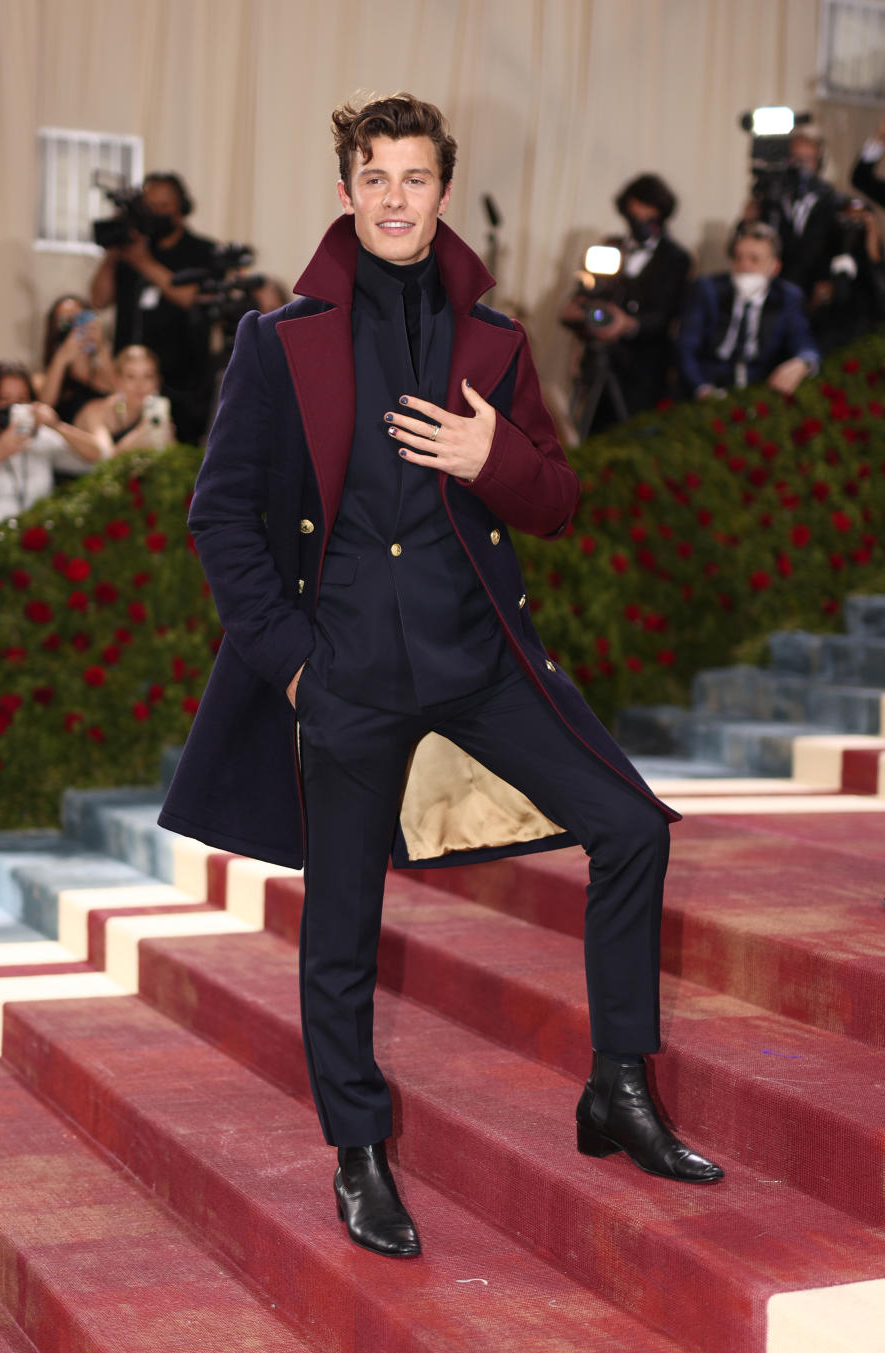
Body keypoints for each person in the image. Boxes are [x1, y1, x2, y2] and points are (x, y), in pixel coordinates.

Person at [159, 92, 722, 1260]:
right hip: (347, 674)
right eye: (377, 178)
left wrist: (494, 458)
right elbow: (220, 520)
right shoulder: (279, 343)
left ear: (441, 191)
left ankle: (617, 1087)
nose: (397, 200)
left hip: (480, 662)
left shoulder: (498, 343)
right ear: (347, 190)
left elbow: (557, 502)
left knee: (631, 828)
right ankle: (358, 1154)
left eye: (416, 179)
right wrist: (298, 670)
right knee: (344, 931)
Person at [89, 172, 215, 444]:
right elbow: (98, 299)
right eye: (150, 206)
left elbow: (190, 296)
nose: (156, 213)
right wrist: (115, 251)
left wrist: (142, 261)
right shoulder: (133, 249)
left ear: (181, 207)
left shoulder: (202, 251)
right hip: (129, 381)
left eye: (163, 205)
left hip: (183, 382)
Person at [560, 173, 691, 432]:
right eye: (636, 209)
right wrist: (578, 311)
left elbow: (668, 315)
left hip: (643, 370)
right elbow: (585, 293)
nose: (641, 217)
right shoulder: (610, 248)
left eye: (649, 211)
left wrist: (627, 324)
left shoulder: (675, 258)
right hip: (599, 364)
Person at [0, 361, 103, 540]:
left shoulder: (40, 438)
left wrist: (56, 425)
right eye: (4, 399)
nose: (13, 407)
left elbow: (97, 459)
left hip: (29, 547)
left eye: (21, 400)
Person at [676, 222, 819, 400]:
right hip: (706, 390)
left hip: (760, 394)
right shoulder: (707, 290)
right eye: (738, 258)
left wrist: (802, 362)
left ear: (774, 267)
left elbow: (804, 342)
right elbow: (686, 348)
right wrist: (701, 388)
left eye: (754, 259)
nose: (744, 266)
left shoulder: (788, 297)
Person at [741, 124, 837, 296]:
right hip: (769, 285)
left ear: (819, 162)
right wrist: (747, 220)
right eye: (795, 159)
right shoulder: (772, 193)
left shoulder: (828, 198)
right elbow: (744, 240)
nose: (800, 166)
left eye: (807, 159)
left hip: (809, 286)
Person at [810, 195, 885, 353]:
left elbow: (880, 300)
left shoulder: (872, 263)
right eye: (846, 218)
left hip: (860, 331)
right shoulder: (822, 257)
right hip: (827, 330)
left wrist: (873, 245)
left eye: (858, 220)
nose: (851, 225)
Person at [76, 346, 175, 457]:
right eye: (131, 377)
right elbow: (105, 459)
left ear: (157, 381)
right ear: (117, 380)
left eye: (148, 376)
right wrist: (137, 437)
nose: (140, 385)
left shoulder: (154, 414)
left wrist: (167, 444)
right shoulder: (97, 411)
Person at [33, 294, 115, 425]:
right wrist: (62, 357)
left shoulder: (102, 376)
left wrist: (101, 347)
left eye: (79, 319)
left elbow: (121, 398)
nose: (74, 328)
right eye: (65, 322)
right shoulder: (41, 380)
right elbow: (45, 406)